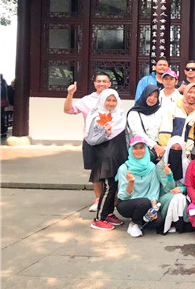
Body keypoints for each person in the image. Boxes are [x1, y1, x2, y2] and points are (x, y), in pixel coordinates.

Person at [64, 71, 116, 211]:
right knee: (96, 170)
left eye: (104, 81)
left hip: (110, 140)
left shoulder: (113, 98)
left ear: (109, 84)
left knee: (111, 170)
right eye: (99, 81)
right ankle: (98, 199)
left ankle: (110, 200)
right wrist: (70, 94)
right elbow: (68, 110)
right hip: (92, 140)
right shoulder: (87, 100)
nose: (101, 84)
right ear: (94, 83)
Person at [85, 88, 128, 231]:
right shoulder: (96, 116)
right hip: (105, 157)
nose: (111, 103)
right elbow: (91, 139)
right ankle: (99, 219)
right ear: (102, 100)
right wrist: (105, 132)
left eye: (114, 100)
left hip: (118, 156)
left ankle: (108, 214)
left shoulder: (120, 115)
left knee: (114, 187)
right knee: (108, 187)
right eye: (108, 100)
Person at [116, 136, 163, 237]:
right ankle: (133, 224)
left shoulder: (151, 167)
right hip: (126, 204)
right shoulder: (124, 168)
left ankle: (140, 221)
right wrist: (131, 182)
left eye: (141, 148)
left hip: (146, 204)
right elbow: (123, 196)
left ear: (146, 149)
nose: (138, 151)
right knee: (143, 202)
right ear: (130, 150)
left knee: (158, 221)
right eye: (135, 148)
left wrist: (153, 209)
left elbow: (154, 190)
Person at [156, 136, 193, 234]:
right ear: (168, 149)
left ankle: (176, 224)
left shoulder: (187, 164)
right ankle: (180, 224)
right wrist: (169, 175)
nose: (176, 151)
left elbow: (191, 185)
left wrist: (183, 189)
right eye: (173, 148)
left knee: (180, 197)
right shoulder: (161, 165)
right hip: (164, 197)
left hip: (183, 196)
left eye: (179, 149)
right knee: (178, 197)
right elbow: (168, 189)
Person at [159, 83, 195, 158]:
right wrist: (165, 149)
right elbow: (165, 128)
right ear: (185, 92)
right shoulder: (173, 107)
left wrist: (187, 151)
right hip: (169, 150)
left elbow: (190, 134)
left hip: (183, 152)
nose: (192, 95)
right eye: (190, 92)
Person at [126, 85, 164, 161]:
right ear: (145, 95)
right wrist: (155, 146)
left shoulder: (160, 111)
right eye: (150, 95)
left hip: (159, 151)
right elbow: (138, 133)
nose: (152, 99)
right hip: (140, 150)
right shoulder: (134, 113)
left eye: (155, 96)